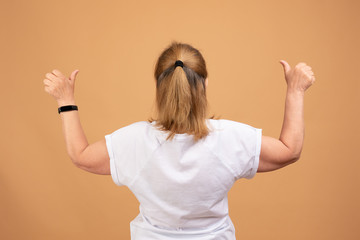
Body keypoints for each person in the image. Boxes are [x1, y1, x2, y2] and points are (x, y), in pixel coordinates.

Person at [43, 41, 315, 239]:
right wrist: (295, 90)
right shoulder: (229, 139)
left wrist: (66, 101)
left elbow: (80, 155)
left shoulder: (134, 141)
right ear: (205, 85)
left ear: (160, 88)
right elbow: (289, 150)